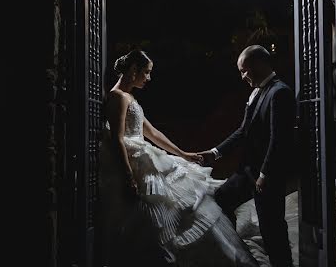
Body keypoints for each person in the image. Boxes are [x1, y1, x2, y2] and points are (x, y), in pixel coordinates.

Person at [99, 49, 259, 267]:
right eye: (146, 72)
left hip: (144, 154)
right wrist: (129, 177)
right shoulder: (117, 97)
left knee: (181, 208)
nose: (148, 78)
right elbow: (118, 138)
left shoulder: (129, 97)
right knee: (154, 218)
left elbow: (153, 133)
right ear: (134, 70)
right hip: (135, 161)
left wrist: (183, 154)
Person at [200, 45, 295, 267]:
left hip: (266, 175)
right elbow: (243, 131)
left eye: (245, 70)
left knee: (272, 230)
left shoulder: (279, 92)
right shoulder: (257, 92)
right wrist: (215, 152)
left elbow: (278, 139)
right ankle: (234, 252)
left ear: (260, 64)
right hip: (247, 172)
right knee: (221, 199)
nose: (243, 76)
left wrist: (266, 174)